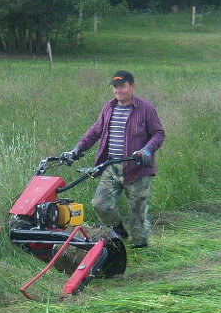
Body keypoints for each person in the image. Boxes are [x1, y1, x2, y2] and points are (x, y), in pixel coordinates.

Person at [62, 70, 165, 248]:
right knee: (100, 204)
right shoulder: (109, 108)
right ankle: (118, 229)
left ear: (132, 86)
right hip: (111, 166)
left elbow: (158, 134)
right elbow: (95, 131)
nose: (118, 90)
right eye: (115, 87)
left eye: (122, 86)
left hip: (136, 169)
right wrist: (77, 149)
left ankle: (140, 246)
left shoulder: (145, 109)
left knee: (138, 212)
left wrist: (147, 150)